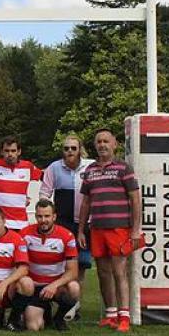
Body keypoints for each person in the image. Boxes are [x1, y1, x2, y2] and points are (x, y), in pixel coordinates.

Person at [77, 128, 141, 333]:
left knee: (119, 271)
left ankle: (124, 316)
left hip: (119, 228)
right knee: (103, 272)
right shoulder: (90, 170)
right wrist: (80, 230)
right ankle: (111, 314)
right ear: (95, 146)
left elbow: (135, 199)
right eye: (99, 142)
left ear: (115, 144)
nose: (102, 145)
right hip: (97, 228)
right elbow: (86, 202)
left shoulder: (123, 168)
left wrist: (135, 230)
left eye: (106, 141)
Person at [39, 134, 94, 318]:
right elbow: (45, 193)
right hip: (62, 223)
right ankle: (60, 304)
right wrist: (47, 216)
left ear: (80, 149)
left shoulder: (90, 166)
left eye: (73, 148)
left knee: (82, 266)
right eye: (66, 148)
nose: (69, 151)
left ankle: (74, 306)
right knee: (62, 266)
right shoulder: (54, 168)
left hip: (85, 224)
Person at [13, 199, 80, 332]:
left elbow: (73, 272)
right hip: (34, 286)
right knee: (33, 327)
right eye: (39, 216)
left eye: (47, 216)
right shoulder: (25, 234)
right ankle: (44, 311)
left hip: (56, 286)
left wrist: (54, 285)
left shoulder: (67, 236)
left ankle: (59, 318)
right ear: (36, 216)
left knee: (74, 287)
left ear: (54, 216)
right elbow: (18, 265)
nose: (43, 220)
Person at [0, 136, 42, 231]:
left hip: (21, 224)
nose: (10, 154)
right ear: (2, 152)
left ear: (19, 152)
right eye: (7, 151)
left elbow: (47, 177)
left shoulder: (28, 167)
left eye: (13, 151)